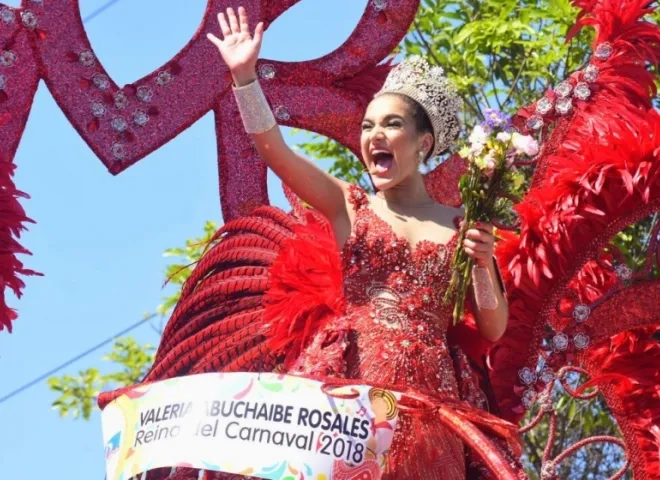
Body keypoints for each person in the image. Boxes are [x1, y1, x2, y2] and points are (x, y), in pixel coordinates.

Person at [205, 6, 509, 479]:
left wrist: (484, 265)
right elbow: (275, 151)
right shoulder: (350, 206)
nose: (373, 137)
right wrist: (245, 79)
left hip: (432, 404)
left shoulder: (461, 224)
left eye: (389, 125)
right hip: (352, 390)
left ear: (423, 143)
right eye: (367, 126)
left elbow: (492, 328)